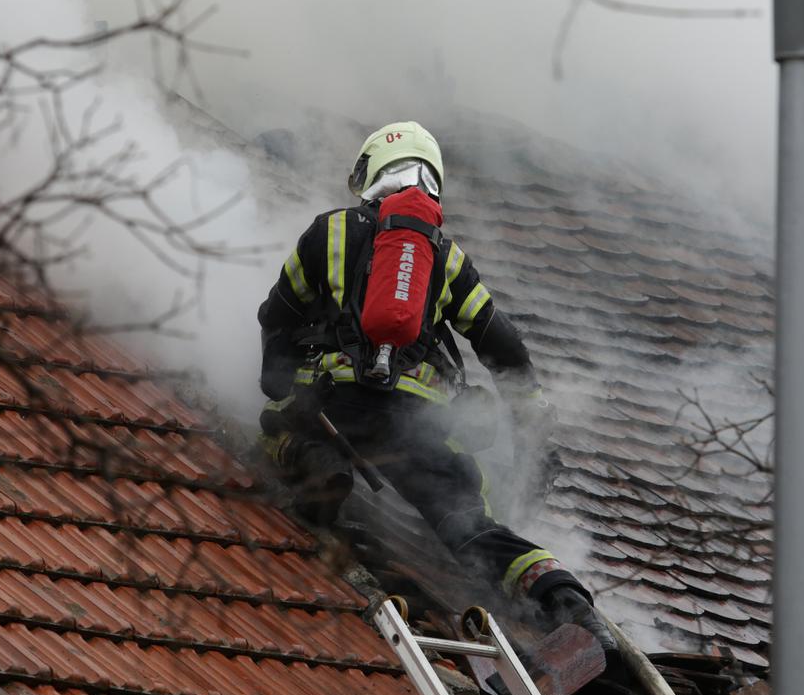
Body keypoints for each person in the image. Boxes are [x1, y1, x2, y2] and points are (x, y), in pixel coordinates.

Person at [256, 120, 616, 650]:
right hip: (416, 426)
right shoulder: (446, 257)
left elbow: (277, 313)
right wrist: (531, 413)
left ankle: (319, 466)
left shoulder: (328, 232)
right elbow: (501, 343)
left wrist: (280, 380)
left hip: (334, 405)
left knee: (271, 425)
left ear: (372, 172)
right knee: (469, 522)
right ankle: (567, 601)